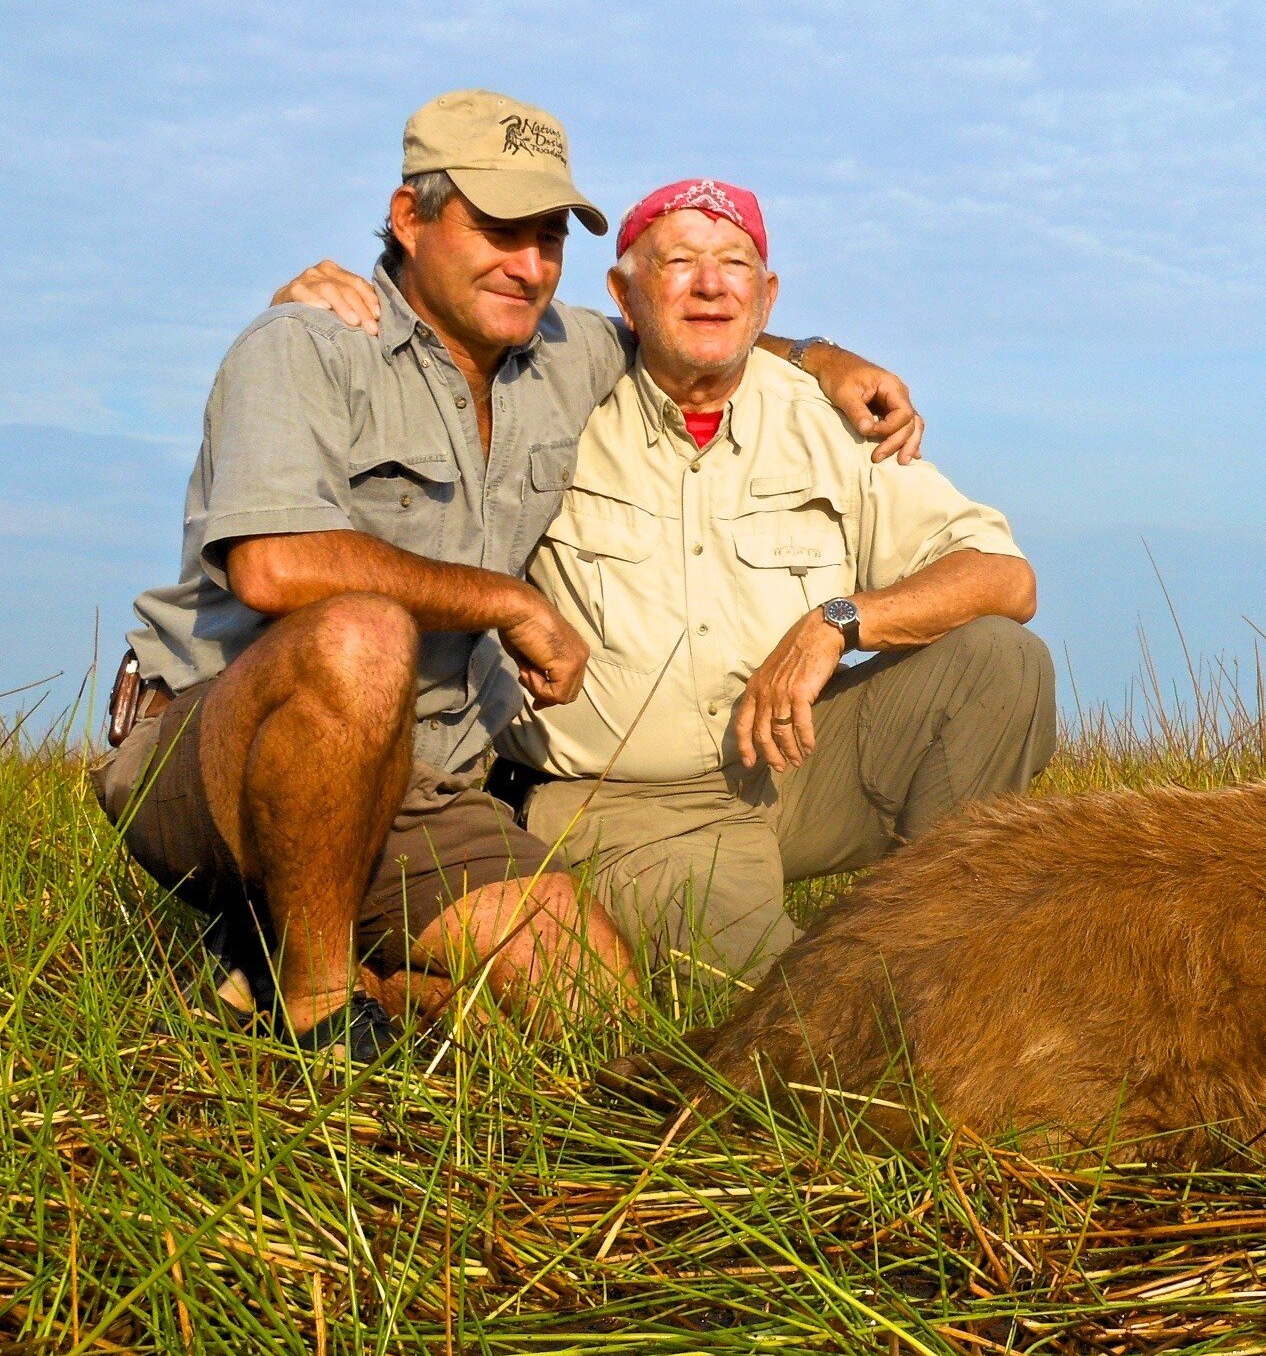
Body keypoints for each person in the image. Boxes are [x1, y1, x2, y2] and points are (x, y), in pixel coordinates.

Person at [95, 92, 920, 1059]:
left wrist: (821, 356)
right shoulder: (307, 345)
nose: (528, 267)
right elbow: (274, 566)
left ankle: (331, 969)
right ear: (409, 220)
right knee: (362, 636)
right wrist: (506, 602)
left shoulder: (560, 352)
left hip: (421, 785)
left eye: (548, 238)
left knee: (597, 1011)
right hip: (228, 746)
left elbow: (687, 328)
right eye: (497, 230)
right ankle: (312, 1011)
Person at [493, 178, 1054, 983]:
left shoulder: (828, 416)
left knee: (1001, 662)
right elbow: (441, 333)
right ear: (622, 293)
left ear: (768, 295)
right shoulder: (551, 394)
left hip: (786, 771)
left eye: (735, 263)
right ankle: (851, 994)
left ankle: (940, 951)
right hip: (625, 806)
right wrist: (327, 306)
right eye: (679, 261)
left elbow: (1004, 578)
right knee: (783, 1022)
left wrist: (837, 620)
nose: (712, 283)